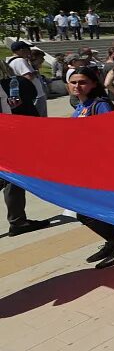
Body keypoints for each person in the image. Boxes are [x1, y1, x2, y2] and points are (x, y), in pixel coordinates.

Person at [67, 66, 114, 268]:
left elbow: (111, 135)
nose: (77, 86)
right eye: (74, 82)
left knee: (85, 212)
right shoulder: (81, 107)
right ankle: (112, 242)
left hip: (102, 168)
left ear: (94, 84)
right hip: (87, 168)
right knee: (94, 210)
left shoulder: (100, 105)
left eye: (82, 82)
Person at [0, 59, 51, 237]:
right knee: (14, 179)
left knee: (8, 178)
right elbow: (33, 96)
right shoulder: (18, 83)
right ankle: (18, 221)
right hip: (17, 137)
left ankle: (18, 220)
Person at [6, 41, 47, 116]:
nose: (29, 51)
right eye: (28, 49)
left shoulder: (10, 61)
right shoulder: (20, 61)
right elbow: (28, 77)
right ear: (21, 50)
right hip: (36, 96)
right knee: (41, 120)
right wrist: (35, 72)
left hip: (29, 96)